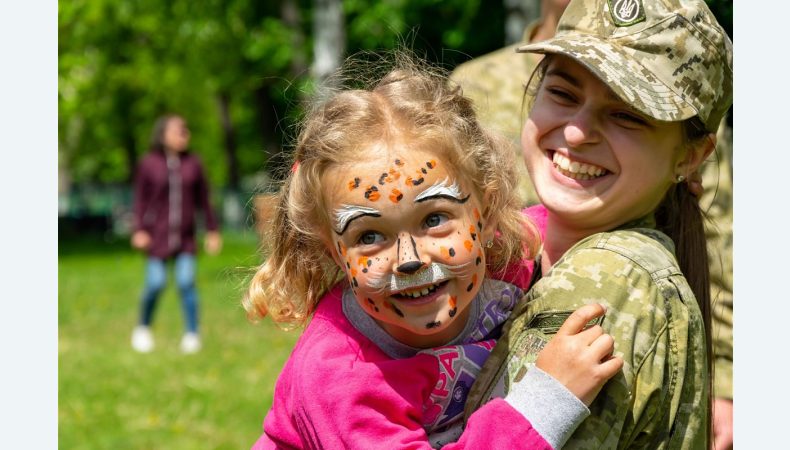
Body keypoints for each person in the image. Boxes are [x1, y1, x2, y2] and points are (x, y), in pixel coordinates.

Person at [243, 53, 623, 449]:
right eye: (370, 236)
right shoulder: (338, 374)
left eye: (434, 219)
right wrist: (547, 400)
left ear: (488, 213)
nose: (410, 259)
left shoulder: (508, 253)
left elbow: (587, 215)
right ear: (335, 252)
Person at [450, 1, 734, 447]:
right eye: (562, 93)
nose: (578, 132)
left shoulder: (599, 286)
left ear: (691, 154)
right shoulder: (530, 258)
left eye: (626, 115)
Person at [130, 114, 222, 354]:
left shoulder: (194, 163)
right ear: (162, 135)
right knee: (155, 282)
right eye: (178, 130)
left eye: (186, 130)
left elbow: (205, 200)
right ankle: (143, 328)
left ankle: (192, 334)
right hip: (156, 236)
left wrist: (212, 230)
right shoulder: (149, 163)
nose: (184, 134)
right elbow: (139, 200)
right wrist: (138, 229)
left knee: (185, 282)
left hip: (186, 238)